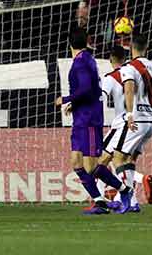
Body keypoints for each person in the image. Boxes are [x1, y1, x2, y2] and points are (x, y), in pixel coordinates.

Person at [55, 28, 133, 215]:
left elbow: (86, 89)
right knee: (76, 162)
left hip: (89, 119)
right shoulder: (86, 59)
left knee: (91, 166)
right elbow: (92, 90)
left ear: (69, 43)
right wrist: (75, 104)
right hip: (81, 117)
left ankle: (125, 190)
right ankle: (100, 201)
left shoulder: (81, 62)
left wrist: (66, 99)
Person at [98, 45, 152, 211]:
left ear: (110, 59)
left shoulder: (111, 77)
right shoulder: (134, 72)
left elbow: (101, 98)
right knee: (124, 161)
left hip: (122, 123)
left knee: (102, 162)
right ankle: (130, 201)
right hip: (140, 121)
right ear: (125, 57)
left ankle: (105, 199)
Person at [113, 35, 152, 211]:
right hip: (151, 121)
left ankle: (140, 181)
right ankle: (133, 203)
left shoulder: (129, 67)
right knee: (129, 160)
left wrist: (129, 114)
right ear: (147, 47)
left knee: (117, 158)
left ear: (131, 48)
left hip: (136, 119)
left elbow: (128, 89)